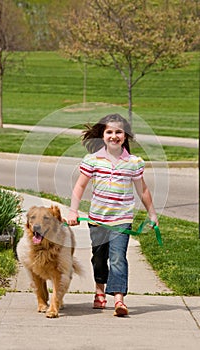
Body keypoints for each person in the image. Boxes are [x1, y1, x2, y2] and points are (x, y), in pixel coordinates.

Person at [67, 113, 158, 317]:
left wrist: (152, 214)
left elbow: (143, 190)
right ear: (102, 135)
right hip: (97, 219)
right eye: (109, 132)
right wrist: (73, 211)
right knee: (99, 258)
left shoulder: (133, 162)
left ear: (125, 136)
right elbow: (80, 186)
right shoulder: (93, 160)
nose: (114, 136)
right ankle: (100, 291)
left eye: (119, 132)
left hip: (122, 220)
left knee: (118, 258)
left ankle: (119, 299)